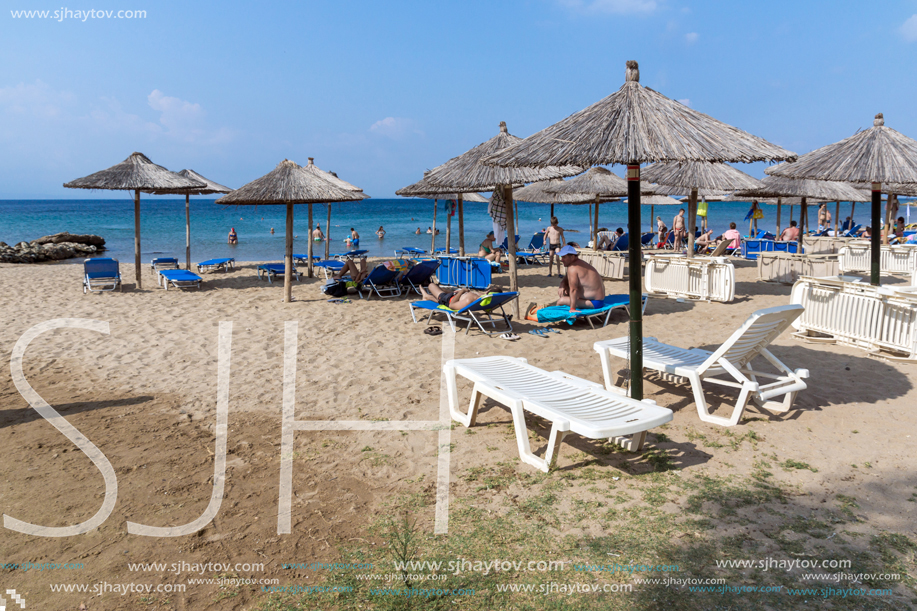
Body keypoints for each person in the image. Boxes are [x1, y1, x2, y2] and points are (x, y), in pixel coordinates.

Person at [555, 245, 605, 311]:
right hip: (598, 300)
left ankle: (559, 316)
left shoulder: (572, 268)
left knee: (561, 301)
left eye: (564, 257)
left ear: (572, 257)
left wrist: (572, 308)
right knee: (566, 291)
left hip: (594, 302)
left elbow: (573, 290)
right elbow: (568, 276)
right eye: (561, 257)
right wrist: (563, 283)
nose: (562, 260)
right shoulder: (580, 264)